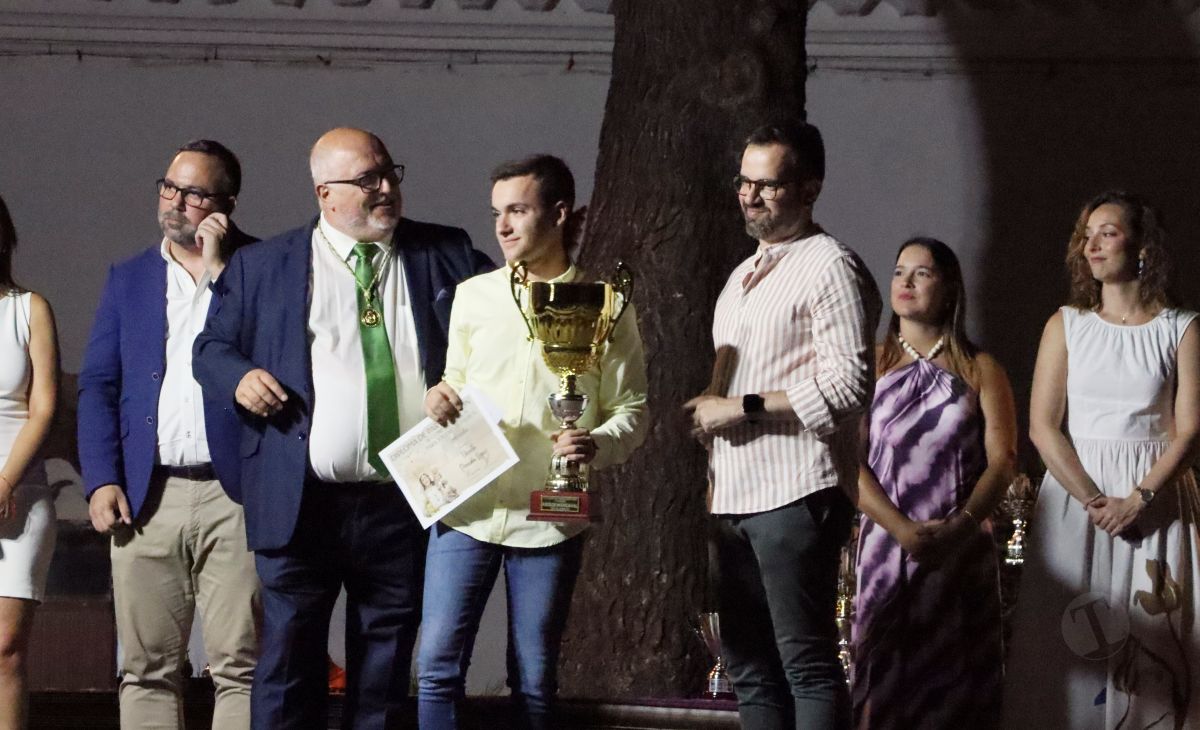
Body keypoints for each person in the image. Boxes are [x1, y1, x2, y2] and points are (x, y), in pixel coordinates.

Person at [193, 127, 492, 730]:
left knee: (383, 674)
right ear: (325, 193)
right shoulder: (263, 265)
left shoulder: (446, 252)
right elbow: (210, 348)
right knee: (286, 669)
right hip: (300, 498)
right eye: (367, 180)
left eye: (389, 173)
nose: (386, 189)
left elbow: (506, 317)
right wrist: (241, 376)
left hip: (404, 499)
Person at [418, 154, 648, 730]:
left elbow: (632, 411)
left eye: (517, 210)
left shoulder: (606, 306)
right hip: (466, 505)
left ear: (559, 213)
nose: (502, 226)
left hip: (547, 515)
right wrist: (438, 397)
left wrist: (595, 442)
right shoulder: (473, 296)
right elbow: (457, 383)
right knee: (436, 667)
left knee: (535, 676)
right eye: (497, 212)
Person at [684, 121, 881, 730]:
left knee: (806, 666)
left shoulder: (831, 266)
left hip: (795, 491)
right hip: (735, 496)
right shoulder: (741, 277)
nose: (750, 196)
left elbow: (850, 386)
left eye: (767, 186)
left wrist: (740, 406)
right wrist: (711, 416)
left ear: (809, 188)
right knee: (749, 670)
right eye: (744, 183)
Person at [77, 140, 259, 730]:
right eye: (169, 187)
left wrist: (221, 268)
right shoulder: (129, 278)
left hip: (237, 495)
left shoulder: (260, 268)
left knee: (243, 666)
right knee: (146, 668)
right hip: (145, 495)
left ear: (226, 203)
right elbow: (99, 386)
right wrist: (102, 479)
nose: (175, 202)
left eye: (194, 192)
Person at [1004, 192, 1200, 729]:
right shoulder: (1066, 325)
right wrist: (1095, 500)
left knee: (1154, 641)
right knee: (1072, 643)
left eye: (1107, 232)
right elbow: (1043, 427)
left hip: (1155, 498)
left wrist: (1139, 499)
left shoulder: (1180, 327)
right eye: (1086, 234)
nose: (1092, 244)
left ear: (1141, 246)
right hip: (1078, 501)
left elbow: (1191, 429)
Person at [851, 237, 1016, 729]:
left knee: (956, 690)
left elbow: (1004, 461)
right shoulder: (869, 365)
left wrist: (962, 527)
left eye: (921, 273)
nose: (905, 281)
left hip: (960, 548)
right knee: (885, 689)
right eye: (900, 270)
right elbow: (846, 459)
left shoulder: (980, 368)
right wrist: (900, 530)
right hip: (886, 546)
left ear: (948, 289)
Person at [0, 195, 59, 730]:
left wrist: (3, 481)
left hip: (19, 492)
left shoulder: (28, 307)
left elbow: (43, 408)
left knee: (6, 647)